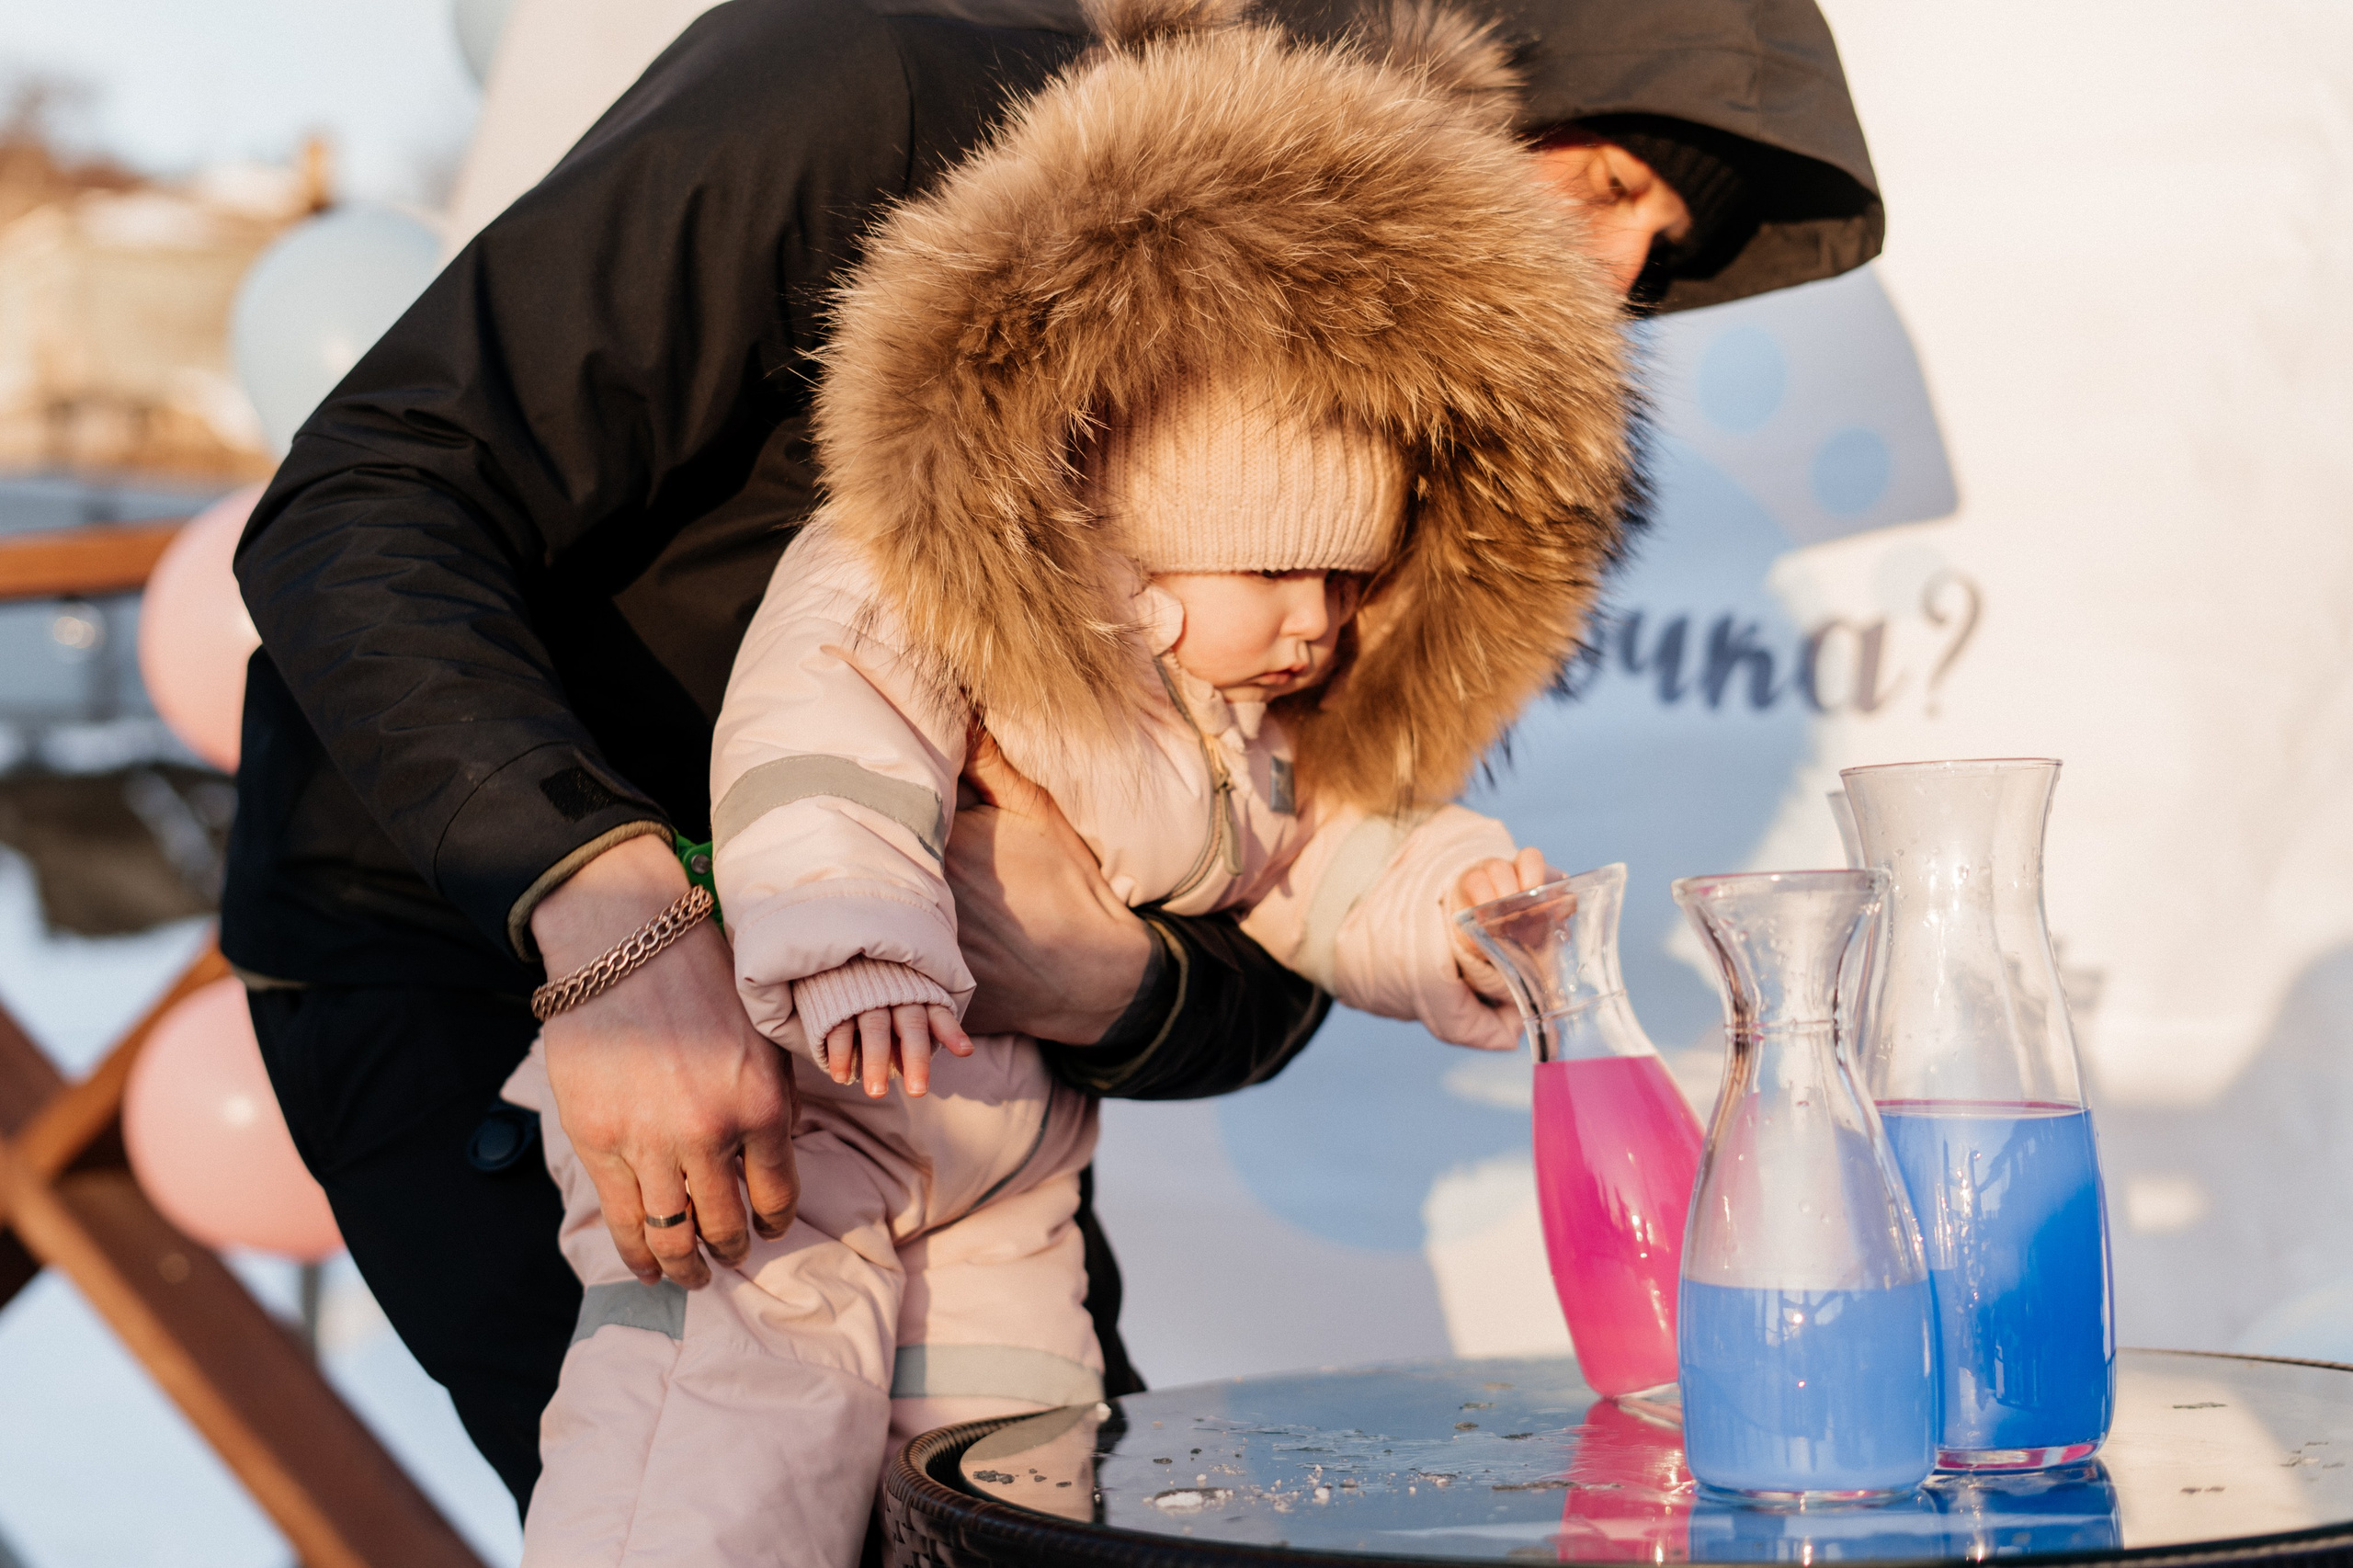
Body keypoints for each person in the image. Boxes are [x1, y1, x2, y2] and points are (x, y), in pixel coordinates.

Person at [226, 0, 1882, 1515]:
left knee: (1033, 1521)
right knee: (720, 1493)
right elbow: (367, 495)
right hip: (511, 965)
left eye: (1658, 250)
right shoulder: (873, 91)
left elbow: (1278, 878)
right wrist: (608, 913)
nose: (1614, 273)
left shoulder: (1345, 460)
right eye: (1602, 181)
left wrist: (1110, 970)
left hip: (943, 1079)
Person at [503, 2, 1631, 1553]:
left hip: (1002, 1172)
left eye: (1351, 582)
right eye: (1282, 572)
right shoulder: (944, 589)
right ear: (1155, 540)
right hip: (796, 1115)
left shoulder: (1235, 731)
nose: (1320, 623)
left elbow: (1334, 860)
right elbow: (821, 731)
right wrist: (847, 936)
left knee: (1011, 1467)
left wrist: (1458, 914)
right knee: (731, 1434)